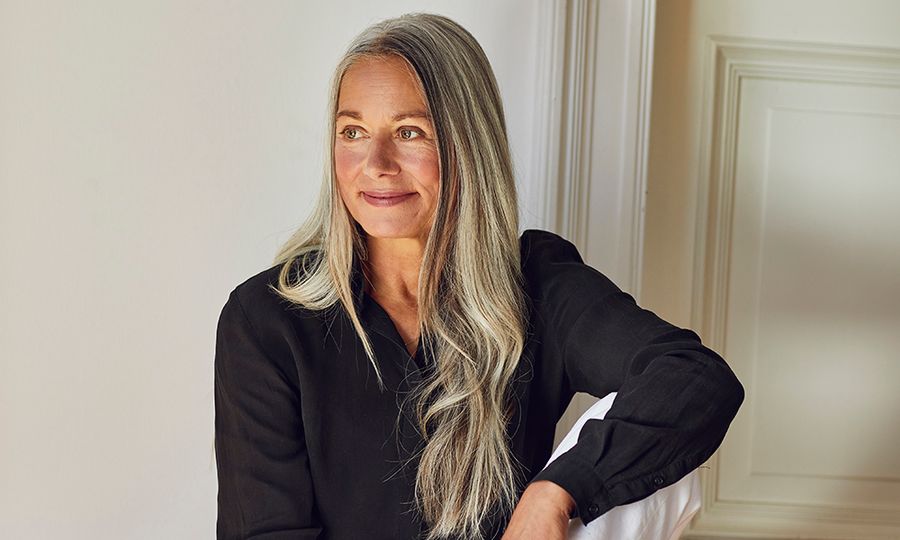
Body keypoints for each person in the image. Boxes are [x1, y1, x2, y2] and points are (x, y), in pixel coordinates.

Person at [213, 12, 744, 540]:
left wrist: (554, 493)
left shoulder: (538, 283)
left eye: (409, 132)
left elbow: (694, 379)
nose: (374, 162)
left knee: (655, 454)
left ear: (468, 143)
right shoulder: (267, 320)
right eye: (352, 131)